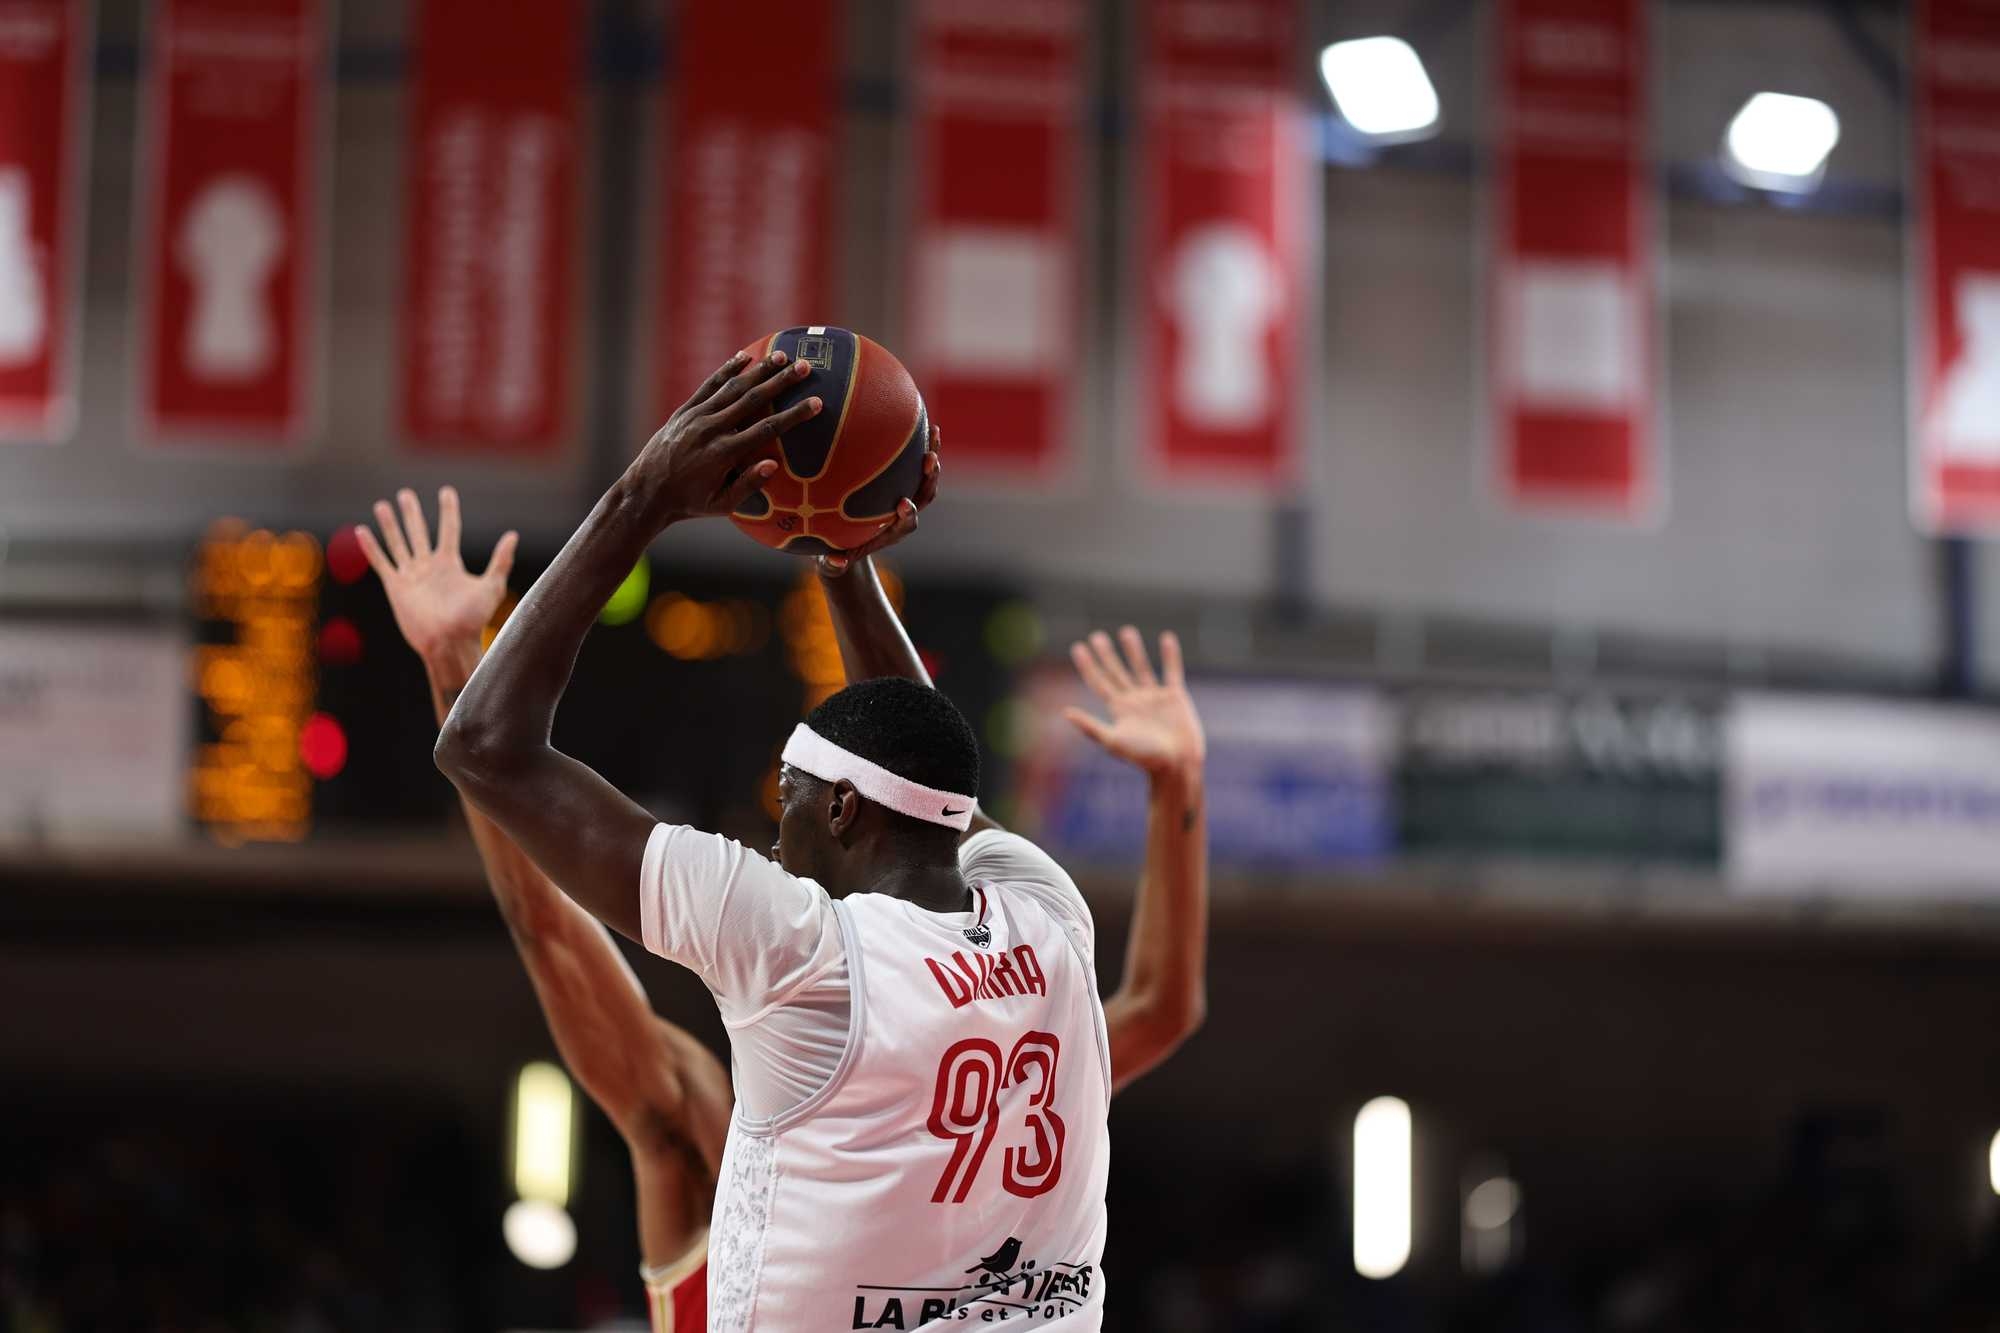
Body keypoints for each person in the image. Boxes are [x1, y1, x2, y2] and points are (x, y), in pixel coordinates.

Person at [359, 395, 1206, 1328]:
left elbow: (489, 754)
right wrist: (844, 560)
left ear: (843, 806)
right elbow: (930, 775)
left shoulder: (806, 957)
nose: (774, 838)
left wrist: (645, 493)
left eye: (788, 799)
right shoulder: (1049, 915)